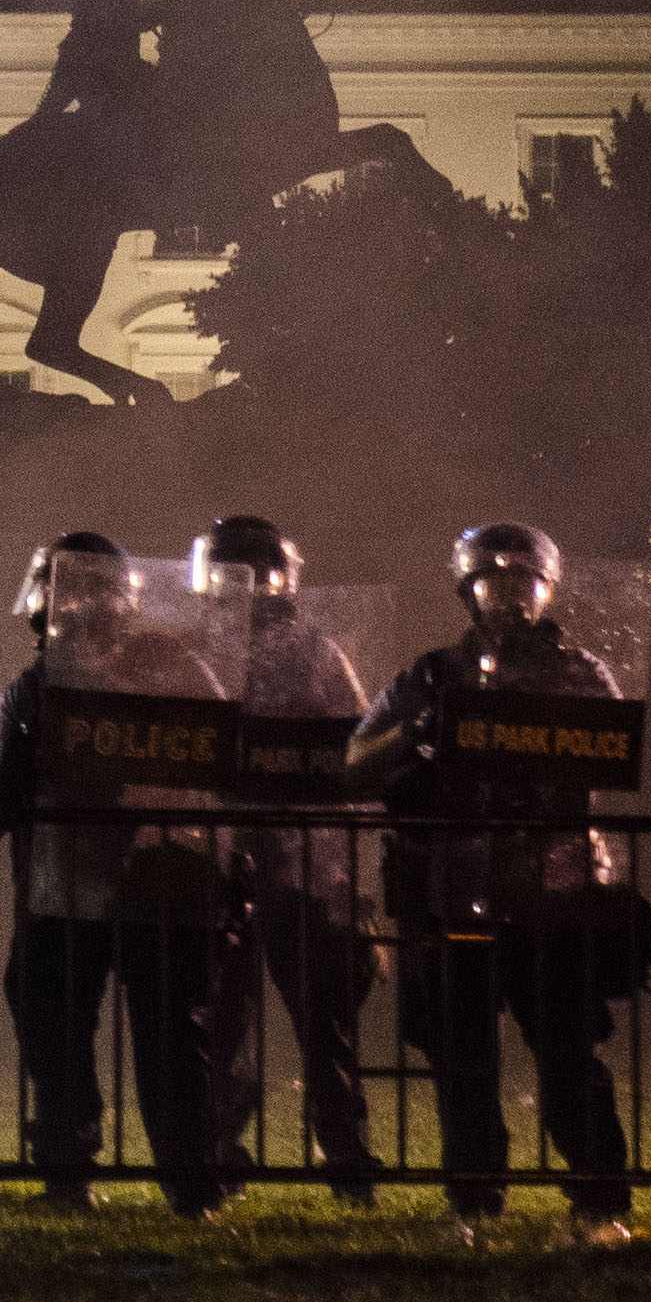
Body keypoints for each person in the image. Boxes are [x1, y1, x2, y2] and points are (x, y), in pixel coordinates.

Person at [351, 522, 639, 1223]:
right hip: (458, 891)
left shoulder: (581, 670)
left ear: (545, 588)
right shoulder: (429, 675)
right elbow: (355, 762)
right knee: (463, 1058)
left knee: (568, 1053)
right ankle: (475, 1197)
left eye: (523, 580)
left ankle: (602, 1195)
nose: (509, 593)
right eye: (494, 578)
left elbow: (615, 756)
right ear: (468, 589)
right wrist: (415, 733)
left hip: (556, 895)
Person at [0, 530, 238, 1211]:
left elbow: (223, 755)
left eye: (95, 596)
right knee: (54, 1028)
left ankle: (190, 1181)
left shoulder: (174, 669)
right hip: (66, 885)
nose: (84, 611)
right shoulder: (31, 691)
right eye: (72, 597)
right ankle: (69, 1173)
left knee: (172, 1039)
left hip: (161, 880)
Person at [192, 515, 383, 1203]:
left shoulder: (317, 655)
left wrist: (352, 882)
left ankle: (347, 1158)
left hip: (305, 869)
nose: (245, 591)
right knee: (222, 1026)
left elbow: (357, 759)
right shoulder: (192, 654)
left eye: (256, 576)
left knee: (324, 1025)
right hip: (220, 863)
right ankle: (216, 1162)